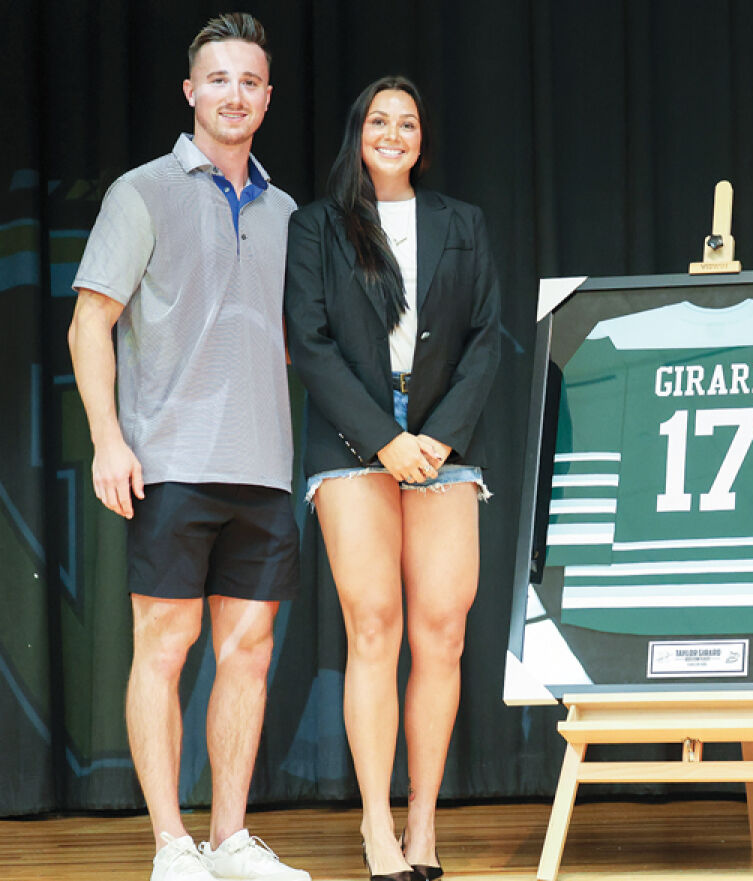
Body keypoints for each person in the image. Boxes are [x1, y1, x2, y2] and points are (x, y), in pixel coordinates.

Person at [67, 13, 308, 881]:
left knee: (247, 657)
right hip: (168, 462)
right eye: (219, 79)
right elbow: (90, 320)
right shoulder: (142, 192)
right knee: (163, 654)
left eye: (250, 81)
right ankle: (173, 844)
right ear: (190, 91)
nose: (234, 94)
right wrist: (107, 439)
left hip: (263, 469)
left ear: (268, 97)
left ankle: (232, 838)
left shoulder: (285, 210)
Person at [283, 75, 501, 881]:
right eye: (380, 119)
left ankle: (422, 822)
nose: (394, 132)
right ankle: (375, 823)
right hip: (352, 438)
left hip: (445, 439)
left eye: (408, 121)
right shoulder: (317, 227)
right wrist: (383, 440)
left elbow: (485, 338)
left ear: (422, 140)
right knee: (374, 624)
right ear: (358, 132)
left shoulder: (463, 224)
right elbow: (310, 343)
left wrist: (436, 436)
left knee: (441, 630)